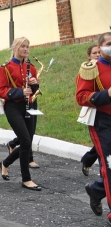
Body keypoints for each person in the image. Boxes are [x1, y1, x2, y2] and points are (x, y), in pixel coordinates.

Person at [0, 37, 41, 191]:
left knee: (27, 141)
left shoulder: (31, 67)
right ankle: (26, 179)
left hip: (30, 105)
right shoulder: (5, 68)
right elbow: (0, 90)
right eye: (22, 46)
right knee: (25, 140)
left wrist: (35, 85)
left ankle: (5, 163)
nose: (26, 49)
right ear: (15, 47)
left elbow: (34, 90)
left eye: (27, 47)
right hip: (13, 107)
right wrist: (20, 92)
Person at [76, 32, 111, 225]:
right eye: (108, 44)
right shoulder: (91, 69)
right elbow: (81, 96)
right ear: (100, 47)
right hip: (102, 121)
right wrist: (106, 95)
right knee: (110, 167)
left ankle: (97, 190)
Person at [80, 44, 101, 176]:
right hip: (95, 108)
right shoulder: (87, 70)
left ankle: (87, 160)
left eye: (99, 52)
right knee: (101, 142)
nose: (98, 55)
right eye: (94, 53)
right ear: (89, 56)